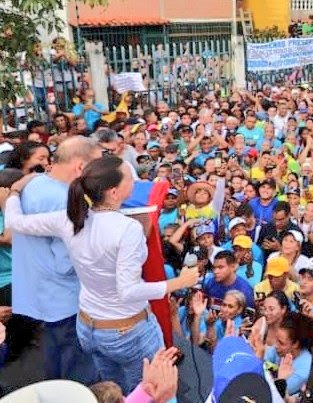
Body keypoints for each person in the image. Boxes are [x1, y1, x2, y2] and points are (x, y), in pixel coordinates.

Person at [0, 156, 199, 392]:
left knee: (111, 389)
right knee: (145, 392)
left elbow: (14, 221)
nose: (135, 180)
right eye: (129, 177)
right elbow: (129, 291)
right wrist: (178, 282)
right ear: (114, 192)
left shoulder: (69, 219)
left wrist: (12, 194)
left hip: (89, 327)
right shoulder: (127, 229)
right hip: (127, 332)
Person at [6, 137, 99, 384]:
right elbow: (67, 262)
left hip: (40, 295)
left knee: (54, 367)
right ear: (80, 167)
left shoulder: (32, 185)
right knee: (78, 375)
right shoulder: (67, 199)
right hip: (66, 300)